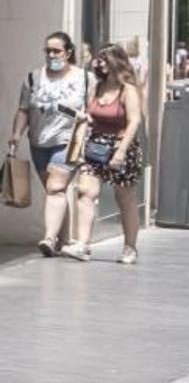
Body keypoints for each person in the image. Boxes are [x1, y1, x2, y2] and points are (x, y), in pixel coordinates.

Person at [8, 32, 94, 257]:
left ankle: (48, 238)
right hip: (39, 142)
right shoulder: (33, 78)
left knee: (55, 188)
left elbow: (93, 109)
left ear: (68, 52)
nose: (52, 55)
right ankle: (64, 240)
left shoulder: (84, 78)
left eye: (56, 51)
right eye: (48, 50)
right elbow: (24, 109)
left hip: (69, 141)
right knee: (55, 190)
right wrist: (17, 133)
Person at [60, 43, 143, 264]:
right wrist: (84, 121)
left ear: (117, 61)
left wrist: (121, 151)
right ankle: (83, 245)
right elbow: (91, 114)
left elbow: (134, 120)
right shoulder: (97, 87)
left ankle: (130, 247)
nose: (100, 63)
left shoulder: (128, 90)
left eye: (105, 59)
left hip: (121, 146)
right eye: (98, 59)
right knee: (85, 192)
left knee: (124, 197)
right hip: (95, 146)